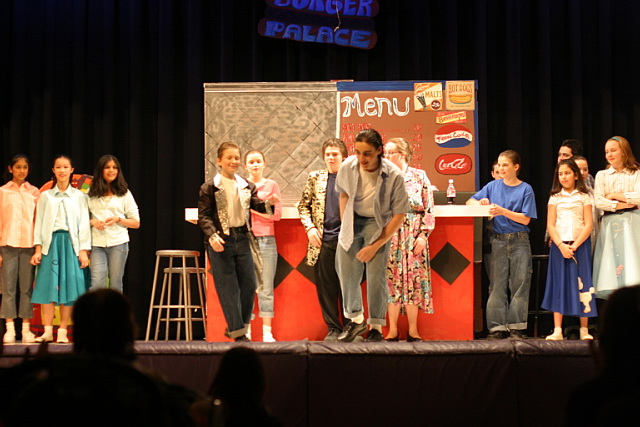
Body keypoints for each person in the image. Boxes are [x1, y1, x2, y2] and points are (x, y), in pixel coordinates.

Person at [198, 142, 279, 341]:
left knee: (249, 285)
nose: (233, 161)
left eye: (236, 158)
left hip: (243, 238)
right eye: (229, 158)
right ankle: (239, 333)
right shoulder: (209, 187)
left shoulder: (246, 185)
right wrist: (212, 235)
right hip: (221, 240)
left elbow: (256, 205)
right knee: (228, 288)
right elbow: (204, 216)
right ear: (219, 161)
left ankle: (241, 328)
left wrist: (268, 204)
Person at [335, 129, 409, 342]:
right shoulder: (347, 166)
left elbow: (399, 214)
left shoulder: (393, 174)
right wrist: (345, 224)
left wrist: (375, 245)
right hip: (352, 218)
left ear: (379, 151)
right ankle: (356, 320)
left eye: (367, 153)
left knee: (376, 275)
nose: (362, 158)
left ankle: (375, 326)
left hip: (377, 223)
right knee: (346, 270)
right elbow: (343, 194)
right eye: (358, 152)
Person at [467, 150, 537, 339]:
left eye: (506, 165)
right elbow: (470, 201)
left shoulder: (525, 189)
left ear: (516, 167)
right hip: (498, 240)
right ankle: (497, 327)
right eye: (499, 164)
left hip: (520, 239)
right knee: (497, 285)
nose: (502, 168)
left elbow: (526, 219)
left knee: (520, 283)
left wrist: (503, 211)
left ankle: (516, 327)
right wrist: (481, 204)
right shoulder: (493, 186)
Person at [30, 155, 91, 343]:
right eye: (58, 167)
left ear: (71, 170)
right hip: (50, 244)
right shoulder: (46, 196)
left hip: (71, 244)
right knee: (48, 287)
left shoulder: (79, 196)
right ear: (53, 170)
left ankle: (63, 330)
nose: (62, 170)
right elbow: (39, 223)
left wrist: (83, 250)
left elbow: (83, 224)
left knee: (69, 286)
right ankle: (48, 331)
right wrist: (38, 249)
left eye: (65, 167)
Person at [382, 138, 434, 342]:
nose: (386, 157)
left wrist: (423, 236)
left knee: (414, 281)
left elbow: (429, 209)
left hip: (413, 236)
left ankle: (413, 330)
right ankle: (392, 330)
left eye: (390, 153)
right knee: (391, 282)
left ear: (402, 154)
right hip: (390, 236)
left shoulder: (419, 176)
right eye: (385, 153)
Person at [297, 138, 349, 342]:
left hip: (348, 243)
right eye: (327, 154)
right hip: (323, 241)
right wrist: (309, 228)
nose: (331, 158)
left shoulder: (353, 177)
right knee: (327, 289)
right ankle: (333, 328)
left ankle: (351, 327)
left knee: (348, 287)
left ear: (344, 156)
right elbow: (303, 206)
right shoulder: (315, 177)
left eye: (335, 154)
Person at [541, 159, 597, 340]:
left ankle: (584, 329)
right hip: (560, 247)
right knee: (559, 284)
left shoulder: (584, 196)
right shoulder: (555, 198)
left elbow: (588, 224)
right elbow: (551, 225)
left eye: (567, 173)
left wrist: (575, 245)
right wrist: (561, 245)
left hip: (580, 245)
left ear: (575, 175)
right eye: (560, 174)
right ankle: (557, 329)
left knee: (583, 283)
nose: (564, 177)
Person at [592, 136, 640, 298]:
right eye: (607, 152)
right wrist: (622, 205)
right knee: (612, 259)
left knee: (632, 258)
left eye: (613, 150)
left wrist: (614, 195)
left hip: (632, 221)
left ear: (624, 152)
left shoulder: (635, 173)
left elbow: (639, 196)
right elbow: (599, 201)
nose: (609, 154)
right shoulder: (602, 175)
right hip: (610, 222)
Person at [0, 155, 40, 343]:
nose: (21, 171)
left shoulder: (34, 192)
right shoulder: (3, 192)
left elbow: (38, 221)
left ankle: (25, 329)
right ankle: (9, 329)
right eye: (18, 167)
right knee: (8, 288)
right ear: (11, 169)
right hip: (7, 245)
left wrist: (38, 248)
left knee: (26, 289)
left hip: (28, 245)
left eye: (25, 167)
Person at [87, 155, 140, 293]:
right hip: (97, 244)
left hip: (118, 243)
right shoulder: (90, 193)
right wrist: (92, 222)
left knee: (115, 283)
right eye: (107, 167)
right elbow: (81, 219)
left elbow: (136, 223)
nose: (111, 170)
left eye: (114, 167)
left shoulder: (124, 193)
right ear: (101, 170)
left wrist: (118, 219)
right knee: (97, 284)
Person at [244, 150, 282, 342]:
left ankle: (267, 332)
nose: (255, 165)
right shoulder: (241, 186)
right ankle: (247, 331)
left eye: (258, 161)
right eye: (251, 162)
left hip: (266, 240)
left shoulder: (272, 185)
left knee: (266, 288)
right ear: (245, 166)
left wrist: (253, 208)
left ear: (264, 163)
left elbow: (276, 215)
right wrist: (264, 207)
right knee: (247, 288)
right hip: (245, 240)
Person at [573, 155, 600, 246]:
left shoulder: (592, 193)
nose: (582, 173)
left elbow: (599, 218)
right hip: (571, 239)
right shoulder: (562, 194)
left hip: (591, 239)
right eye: (578, 169)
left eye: (585, 169)